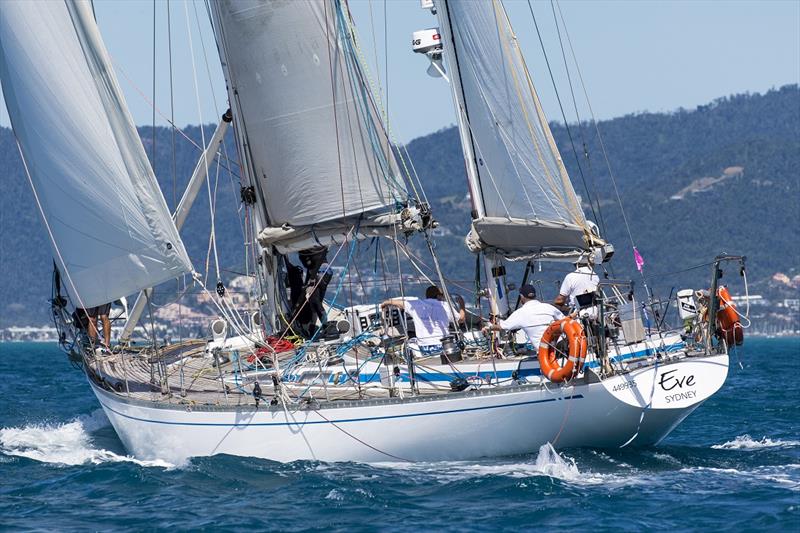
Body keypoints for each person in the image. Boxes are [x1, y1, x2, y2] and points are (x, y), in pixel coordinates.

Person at [381, 285, 466, 354]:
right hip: (444, 347)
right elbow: (461, 319)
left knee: (410, 341)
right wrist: (462, 304)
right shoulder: (445, 305)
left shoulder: (417, 304)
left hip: (424, 348)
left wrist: (387, 302)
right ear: (439, 296)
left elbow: (400, 303)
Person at [483, 284, 563, 348]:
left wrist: (488, 327)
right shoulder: (548, 307)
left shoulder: (520, 313)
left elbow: (502, 327)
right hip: (561, 348)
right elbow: (564, 320)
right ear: (534, 295)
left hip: (544, 354)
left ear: (521, 297)